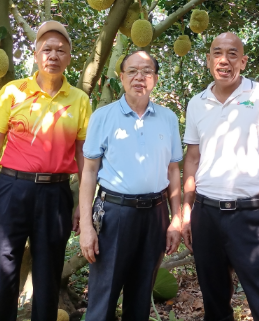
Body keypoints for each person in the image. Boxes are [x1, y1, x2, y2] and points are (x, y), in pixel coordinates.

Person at [0, 21, 92, 321]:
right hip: (12, 190)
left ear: (69, 57)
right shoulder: (12, 92)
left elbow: (84, 156)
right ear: (36, 53)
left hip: (56, 194)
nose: (53, 55)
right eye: (47, 49)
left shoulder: (79, 100)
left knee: (48, 274)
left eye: (60, 50)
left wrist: (83, 205)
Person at [181, 32, 259, 321]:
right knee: (214, 302)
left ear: (242, 61)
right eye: (217, 53)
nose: (224, 60)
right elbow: (192, 158)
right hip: (206, 214)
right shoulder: (197, 103)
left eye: (232, 54)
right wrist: (185, 210)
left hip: (249, 214)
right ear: (208, 60)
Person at [79, 50, 183, 321]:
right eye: (133, 71)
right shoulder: (103, 117)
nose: (140, 77)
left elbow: (173, 170)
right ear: (121, 77)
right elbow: (89, 171)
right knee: (102, 300)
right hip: (114, 213)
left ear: (156, 79)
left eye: (147, 71)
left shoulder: (168, 119)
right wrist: (87, 227)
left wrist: (176, 219)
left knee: (140, 299)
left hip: (155, 214)